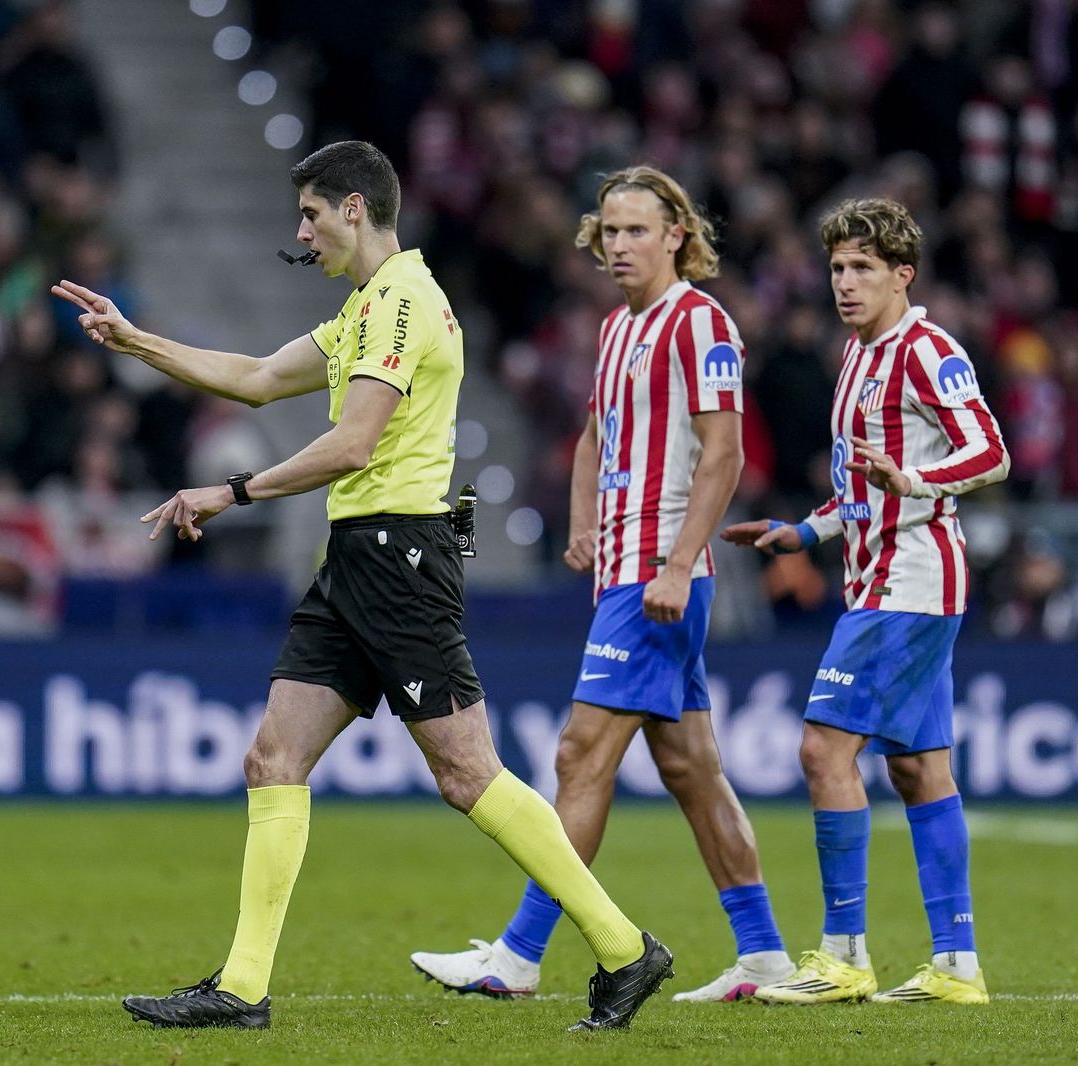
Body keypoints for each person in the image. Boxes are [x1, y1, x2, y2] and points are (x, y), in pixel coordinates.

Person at [51, 141, 672, 1032]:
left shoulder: (404, 302)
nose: (301, 232)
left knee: (468, 774)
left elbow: (353, 444)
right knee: (274, 757)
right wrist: (134, 337)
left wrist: (230, 492)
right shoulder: (368, 308)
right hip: (357, 559)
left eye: (309, 213)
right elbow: (261, 379)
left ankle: (622, 947)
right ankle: (243, 988)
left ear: (353, 207)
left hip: (400, 559)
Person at [410, 166, 794, 1003]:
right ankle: (765, 958)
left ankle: (517, 956)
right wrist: (583, 521)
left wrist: (680, 561)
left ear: (677, 236)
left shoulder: (701, 322)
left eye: (635, 230)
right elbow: (593, 433)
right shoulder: (622, 328)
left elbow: (724, 452)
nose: (617, 245)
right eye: (609, 231)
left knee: (580, 754)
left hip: (660, 575)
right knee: (693, 769)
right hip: (627, 568)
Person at [722, 197, 1009, 1006]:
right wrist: (803, 534)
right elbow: (858, 491)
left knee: (823, 751)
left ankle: (843, 955)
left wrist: (915, 480)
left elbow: (991, 451)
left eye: (863, 269)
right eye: (838, 268)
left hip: (911, 583)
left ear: (901, 275)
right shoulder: (857, 354)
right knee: (919, 770)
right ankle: (956, 967)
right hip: (878, 576)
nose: (845, 283)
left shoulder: (928, 350)